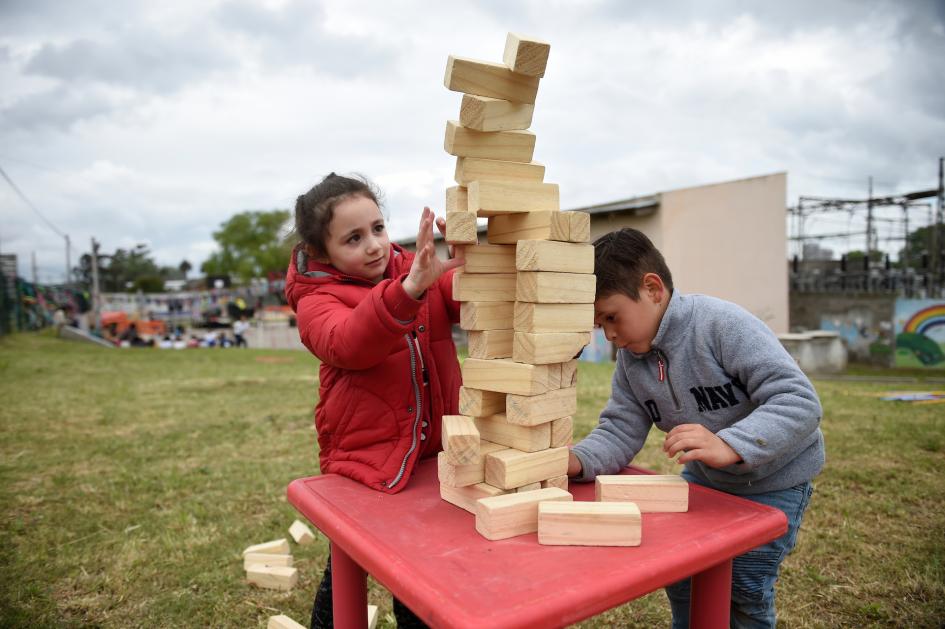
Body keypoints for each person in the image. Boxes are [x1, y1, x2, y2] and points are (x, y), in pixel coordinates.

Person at [568, 228, 824, 629]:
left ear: (652, 289)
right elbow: (620, 429)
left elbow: (798, 400)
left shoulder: (721, 325)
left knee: (743, 589)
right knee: (684, 576)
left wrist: (731, 443)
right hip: (705, 480)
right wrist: (577, 461)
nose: (610, 334)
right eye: (600, 325)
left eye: (612, 317)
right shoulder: (631, 362)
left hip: (774, 483)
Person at [284, 173, 465, 629]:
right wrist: (408, 292)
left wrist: (470, 264)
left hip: (432, 454)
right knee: (350, 561)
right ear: (323, 253)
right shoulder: (316, 298)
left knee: (421, 569)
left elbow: (463, 302)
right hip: (368, 459)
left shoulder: (414, 270)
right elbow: (349, 343)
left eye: (378, 229)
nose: (374, 246)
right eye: (354, 238)